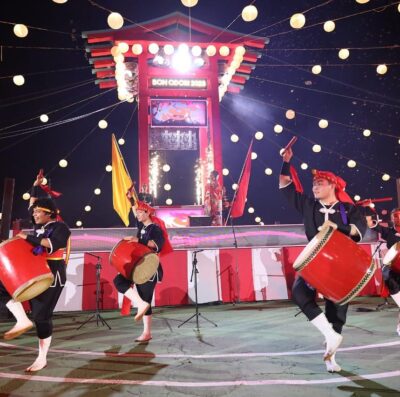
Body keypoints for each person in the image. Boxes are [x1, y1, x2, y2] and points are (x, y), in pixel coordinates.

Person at [279, 148, 367, 373]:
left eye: (320, 183)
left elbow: (358, 233)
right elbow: (284, 185)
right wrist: (286, 162)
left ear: (332, 185)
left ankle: (330, 357)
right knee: (299, 293)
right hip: (315, 263)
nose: (314, 187)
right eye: (313, 184)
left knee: (336, 313)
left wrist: (338, 226)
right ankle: (328, 334)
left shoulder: (348, 209)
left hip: (340, 265)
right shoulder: (308, 205)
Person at [0, 172, 70, 372]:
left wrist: (27, 238)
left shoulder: (61, 228)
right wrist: (35, 185)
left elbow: (50, 244)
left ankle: (42, 357)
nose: (34, 214)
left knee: (41, 316)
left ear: (49, 213)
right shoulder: (38, 226)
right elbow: (31, 203)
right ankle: (21, 319)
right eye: (35, 212)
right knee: (3, 286)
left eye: (38, 211)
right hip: (34, 269)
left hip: (53, 274)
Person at [113, 189, 172, 343]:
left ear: (147, 214)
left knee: (146, 298)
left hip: (149, 267)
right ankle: (139, 304)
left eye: (140, 213)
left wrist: (138, 240)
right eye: (137, 213)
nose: (137, 215)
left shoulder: (155, 229)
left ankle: (146, 332)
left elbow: (156, 245)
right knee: (119, 281)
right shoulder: (143, 227)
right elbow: (135, 209)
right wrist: (131, 199)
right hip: (138, 265)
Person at [367, 207, 400, 335]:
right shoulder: (388, 232)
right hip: (393, 271)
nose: (396, 218)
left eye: (398, 215)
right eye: (394, 216)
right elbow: (374, 226)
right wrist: (369, 213)